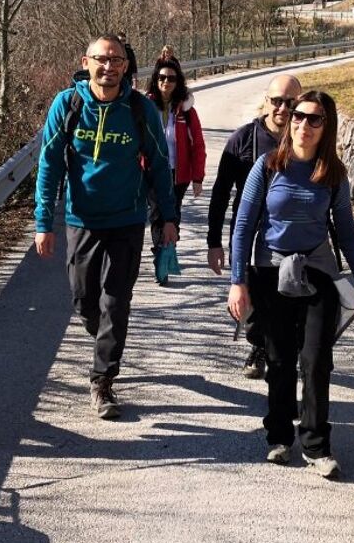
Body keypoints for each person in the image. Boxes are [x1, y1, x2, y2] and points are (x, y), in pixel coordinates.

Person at [227, 90, 354, 479]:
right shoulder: (268, 165)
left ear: (326, 127)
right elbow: (244, 226)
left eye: (314, 120)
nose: (303, 125)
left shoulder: (333, 174)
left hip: (317, 273)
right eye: (298, 116)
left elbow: (346, 231)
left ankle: (316, 445)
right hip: (270, 273)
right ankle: (279, 437)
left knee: (315, 361)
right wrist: (238, 281)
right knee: (278, 360)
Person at [35, 35, 178, 420]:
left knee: (116, 301)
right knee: (84, 301)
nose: (109, 67)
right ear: (87, 61)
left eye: (117, 60)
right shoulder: (68, 104)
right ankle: (105, 341)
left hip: (127, 220)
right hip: (81, 219)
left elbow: (160, 165)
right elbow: (49, 165)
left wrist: (168, 218)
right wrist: (43, 221)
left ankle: (103, 380)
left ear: (127, 67)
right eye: (102, 59)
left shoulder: (139, 109)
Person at [207, 74, 302, 378]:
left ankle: (281, 351)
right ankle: (258, 346)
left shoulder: (306, 140)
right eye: (277, 101)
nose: (283, 109)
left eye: (291, 103)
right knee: (256, 297)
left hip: (292, 237)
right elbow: (221, 192)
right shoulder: (243, 140)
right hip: (250, 234)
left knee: (289, 299)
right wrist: (214, 242)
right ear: (266, 101)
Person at [144, 58, 206, 284]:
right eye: (161, 77)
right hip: (151, 171)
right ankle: (161, 253)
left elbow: (198, 145)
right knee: (156, 214)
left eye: (171, 78)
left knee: (173, 214)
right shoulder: (146, 107)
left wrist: (198, 178)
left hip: (177, 174)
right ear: (155, 80)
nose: (166, 82)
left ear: (177, 81)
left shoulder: (187, 112)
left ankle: (165, 250)